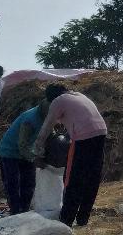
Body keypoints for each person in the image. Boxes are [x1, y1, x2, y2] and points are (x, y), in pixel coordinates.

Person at [33, 84, 107, 227]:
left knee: (74, 179)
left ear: (51, 98)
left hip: (84, 137)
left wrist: (38, 147)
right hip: (101, 133)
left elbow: (48, 125)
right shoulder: (79, 95)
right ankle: (83, 219)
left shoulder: (58, 101)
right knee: (92, 178)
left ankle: (66, 221)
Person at [0, 100, 48, 215]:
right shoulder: (30, 119)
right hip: (10, 152)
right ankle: (15, 212)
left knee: (29, 183)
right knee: (13, 184)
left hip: (27, 151)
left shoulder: (48, 115)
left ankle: (24, 211)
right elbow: (22, 144)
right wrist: (34, 159)